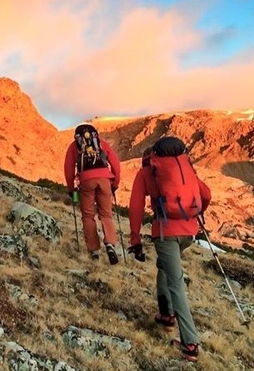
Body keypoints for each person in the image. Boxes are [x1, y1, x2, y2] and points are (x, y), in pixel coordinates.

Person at [126, 136, 211, 362]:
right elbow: (206, 194)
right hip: (189, 232)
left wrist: (135, 239)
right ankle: (166, 315)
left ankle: (190, 344)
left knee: (176, 283)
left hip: (166, 232)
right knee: (165, 266)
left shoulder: (146, 172)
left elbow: (135, 207)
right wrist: (195, 214)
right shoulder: (184, 169)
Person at [64, 122, 122, 264]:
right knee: (106, 214)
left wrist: (71, 189)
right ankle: (109, 244)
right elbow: (115, 164)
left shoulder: (74, 147)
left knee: (88, 216)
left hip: (86, 181)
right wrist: (114, 184)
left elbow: (68, 169)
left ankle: (94, 250)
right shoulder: (101, 143)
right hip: (105, 180)